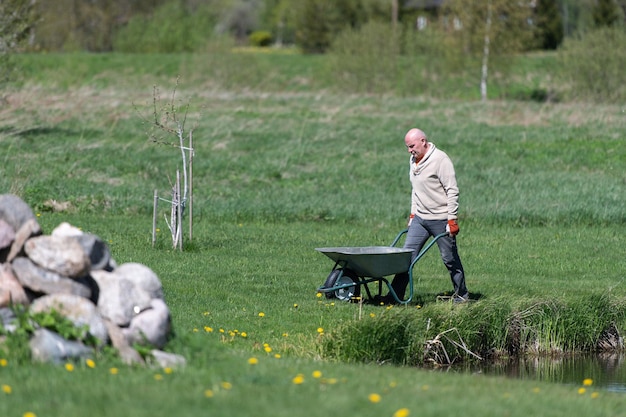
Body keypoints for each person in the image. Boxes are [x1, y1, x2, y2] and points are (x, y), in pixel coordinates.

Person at [381, 128, 469, 304]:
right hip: (420, 219)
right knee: (406, 258)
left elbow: (452, 191)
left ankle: (462, 296)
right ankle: (395, 296)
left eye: (412, 146)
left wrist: (452, 219)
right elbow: (416, 190)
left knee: (449, 258)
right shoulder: (413, 160)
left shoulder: (440, 160)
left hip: (441, 218)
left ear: (423, 141)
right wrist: (413, 213)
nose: (409, 150)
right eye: (407, 147)